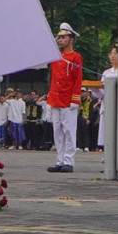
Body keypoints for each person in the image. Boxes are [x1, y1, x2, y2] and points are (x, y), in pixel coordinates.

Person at [47, 23, 84, 172]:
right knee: (57, 131)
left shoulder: (75, 57)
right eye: (59, 37)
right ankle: (60, 160)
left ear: (71, 39)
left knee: (69, 130)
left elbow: (77, 79)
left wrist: (75, 99)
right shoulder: (56, 55)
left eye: (63, 37)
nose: (60, 40)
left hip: (68, 99)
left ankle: (69, 161)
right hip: (55, 98)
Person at [97, 46, 118, 150]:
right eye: (111, 54)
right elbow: (101, 94)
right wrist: (95, 90)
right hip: (107, 104)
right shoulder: (106, 73)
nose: (112, 56)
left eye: (115, 53)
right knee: (107, 131)